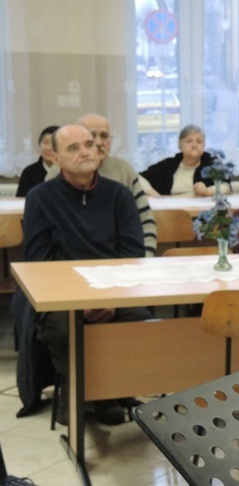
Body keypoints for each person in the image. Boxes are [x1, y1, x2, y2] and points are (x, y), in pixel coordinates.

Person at [22, 124, 153, 426]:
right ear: (54, 157)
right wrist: (81, 302)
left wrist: (109, 299)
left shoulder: (119, 195)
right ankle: (80, 393)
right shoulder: (40, 198)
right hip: (63, 297)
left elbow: (131, 255)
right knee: (65, 329)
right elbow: (39, 263)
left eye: (89, 144)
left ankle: (112, 390)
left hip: (114, 292)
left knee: (139, 320)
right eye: (73, 148)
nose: (85, 152)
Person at [45, 114, 158, 257]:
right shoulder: (57, 173)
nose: (98, 142)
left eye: (104, 136)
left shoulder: (124, 171)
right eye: (92, 137)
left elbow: (146, 222)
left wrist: (144, 262)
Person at [140, 124, 230, 197]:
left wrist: (207, 191)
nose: (194, 145)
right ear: (180, 145)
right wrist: (153, 194)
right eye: (189, 141)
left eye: (199, 142)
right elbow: (137, 178)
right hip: (171, 212)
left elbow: (225, 186)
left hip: (200, 213)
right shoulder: (169, 165)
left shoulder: (211, 163)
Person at [16, 125, 59, 197]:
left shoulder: (69, 171)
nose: (49, 148)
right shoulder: (29, 172)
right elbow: (21, 200)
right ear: (39, 144)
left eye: (53, 144)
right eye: (46, 142)